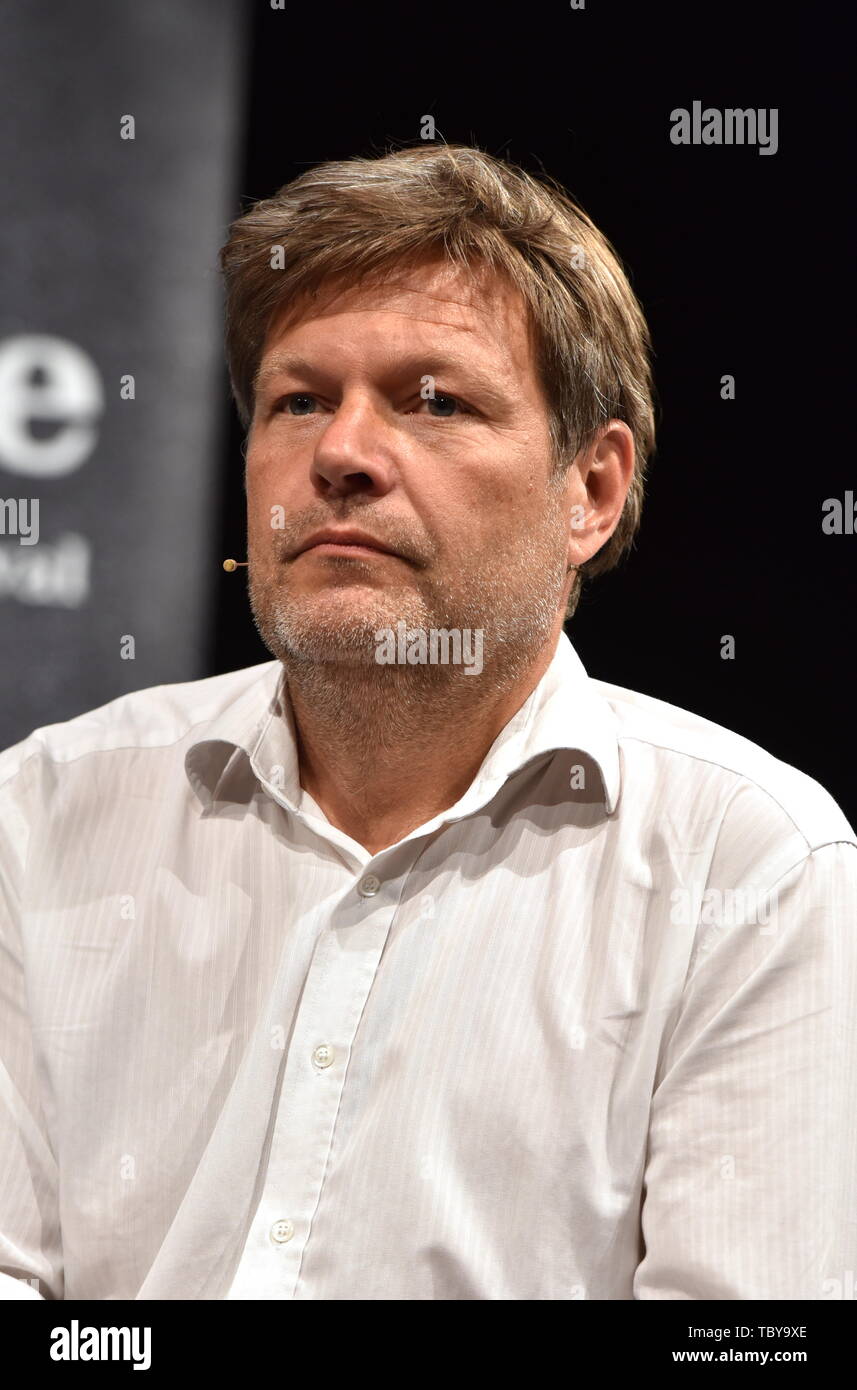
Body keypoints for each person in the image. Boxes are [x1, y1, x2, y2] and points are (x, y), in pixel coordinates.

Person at [1, 144, 854, 1301]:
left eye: (432, 401)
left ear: (589, 494)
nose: (341, 455)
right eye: (299, 400)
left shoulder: (751, 862)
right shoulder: (42, 809)